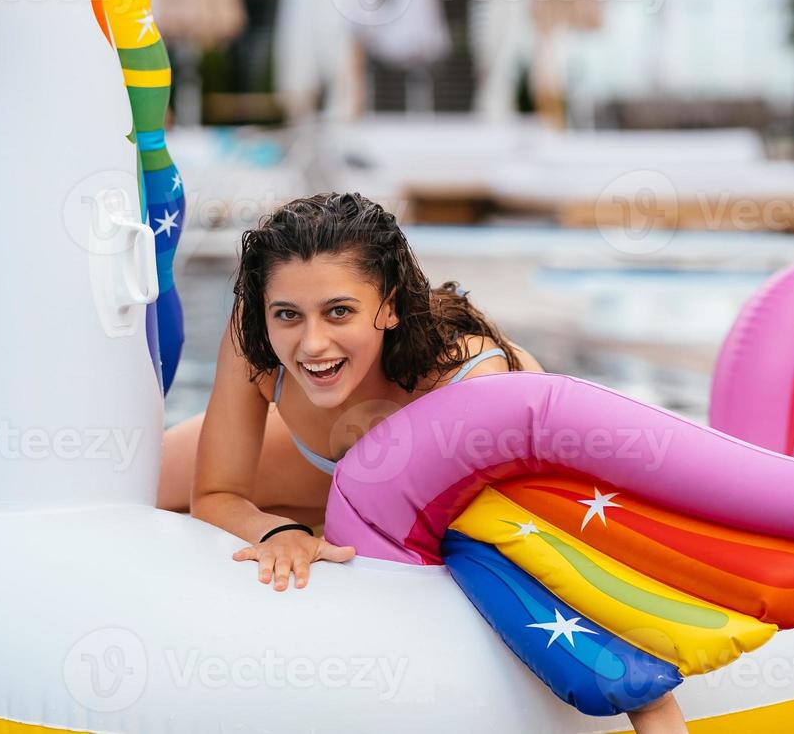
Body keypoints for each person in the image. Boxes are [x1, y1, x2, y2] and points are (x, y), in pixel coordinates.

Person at [157, 191, 687, 732]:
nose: (312, 343)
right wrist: (278, 531)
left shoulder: (469, 379)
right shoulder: (255, 335)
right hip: (315, 461)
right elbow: (216, 493)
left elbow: (519, 552)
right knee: (147, 475)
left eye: (339, 311)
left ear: (387, 305)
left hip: (458, 485)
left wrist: (648, 699)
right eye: (288, 314)